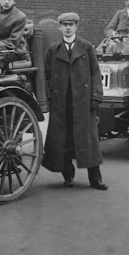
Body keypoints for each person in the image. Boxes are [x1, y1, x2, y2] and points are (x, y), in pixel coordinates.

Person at [42, 12, 108, 191]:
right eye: (64, 25)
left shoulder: (86, 47)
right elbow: (46, 76)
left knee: (88, 141)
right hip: (61, 102)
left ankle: (95, 179)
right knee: (63, 140)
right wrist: (49, 97)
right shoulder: (53, 50)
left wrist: (96, 96)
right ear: (60, 27)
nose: (68, 28)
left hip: (83, 101)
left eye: (71, 25)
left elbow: (96, 73)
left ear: (77, 27)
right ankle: (68, 176)